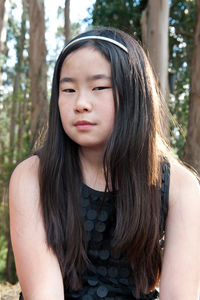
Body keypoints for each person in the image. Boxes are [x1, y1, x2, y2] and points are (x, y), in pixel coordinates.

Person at [9, 27, 200, 300]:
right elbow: (43, 293)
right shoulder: (33, 176)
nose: (81, 103)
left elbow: (180, 295)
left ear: (135, 94)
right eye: (68, 89)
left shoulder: (181, 186)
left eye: (99, 87)